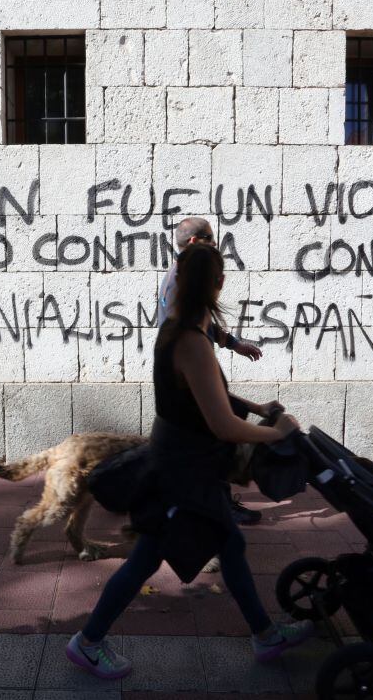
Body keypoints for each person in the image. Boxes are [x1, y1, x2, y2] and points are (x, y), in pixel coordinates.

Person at [66, 243, 314, 680]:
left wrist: (257, 408)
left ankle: (264, 634)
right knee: (146, 558)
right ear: (219, 284)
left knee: (230, 545)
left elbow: (206, 395)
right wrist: (277, 432)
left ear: (179, 280)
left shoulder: (180, 330)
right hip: (181, 471)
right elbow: (222, 424)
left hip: (184, 463)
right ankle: (88, 642)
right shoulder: (191, 342)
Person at [159, 216, 266, 525]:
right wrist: (274, 433)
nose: (216, 245)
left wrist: (233, 343)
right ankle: (218, 504)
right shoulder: (186, 308)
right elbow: (224, 425)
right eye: (210, 238)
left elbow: (203, 319)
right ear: (194, 242)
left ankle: (215, 502)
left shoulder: (183, 283)